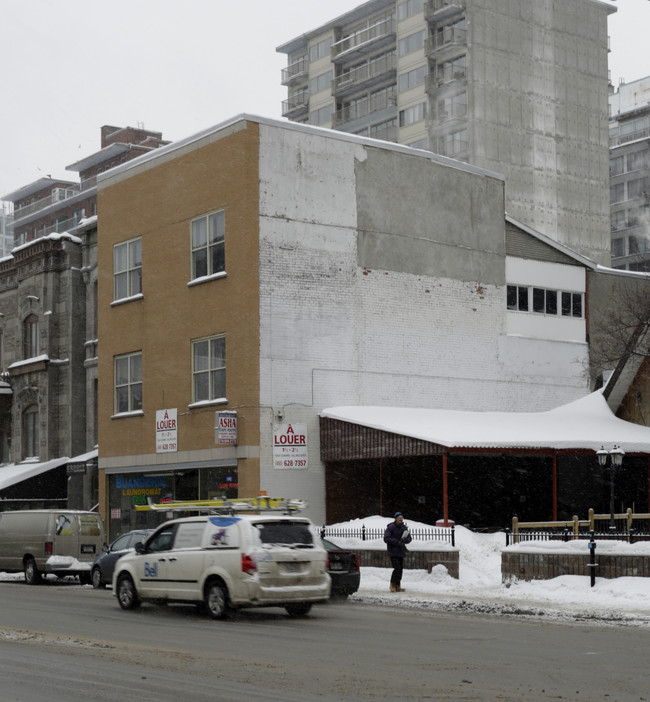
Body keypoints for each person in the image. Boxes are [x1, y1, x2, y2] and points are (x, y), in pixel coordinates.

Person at [383, 512, 412, 592]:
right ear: (395, 518)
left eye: (401, 518)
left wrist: (404, 540)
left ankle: (398, 585)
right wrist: (397, 541)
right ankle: (392, 585)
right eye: (399, 518)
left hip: (401, 551)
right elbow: (386, 538)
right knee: (397, 568)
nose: (401, 520)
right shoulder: (391, 527)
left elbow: (409, 538)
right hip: (393, 551)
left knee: (400, 569)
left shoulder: (404, 527)